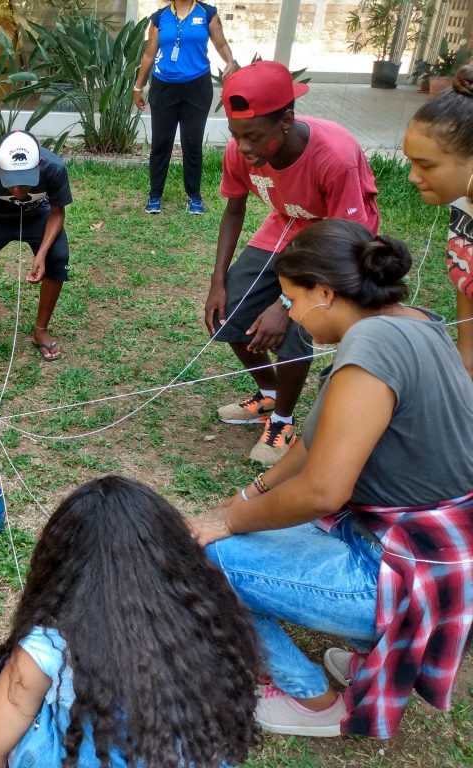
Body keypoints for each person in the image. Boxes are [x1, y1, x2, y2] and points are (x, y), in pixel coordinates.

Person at [190, 220, 473, 740]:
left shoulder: (370, 347)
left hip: (411, 574)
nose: (290, 313)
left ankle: (312, 701)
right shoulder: (415, 321)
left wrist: (227, 523)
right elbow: (313, 446)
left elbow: (323, 490)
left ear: (324, 292)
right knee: (241, 531)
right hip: (439, 554)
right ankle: (369, 652)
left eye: (291, 299)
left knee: (203, 559)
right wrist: (247, 497)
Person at [0, 475, 262, 768]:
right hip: (187, 755)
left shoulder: (50, 646)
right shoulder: (206, 616)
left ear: (59, 569)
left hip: (89, 755)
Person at [204, 60, 379, 466]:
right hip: (283, 226)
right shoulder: (240, 150)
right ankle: (269, 393)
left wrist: (284, 305)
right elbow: (234, 210)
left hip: (337, 240)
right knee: (226, 317)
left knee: (292, 328)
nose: (243, 148)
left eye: (253, 137)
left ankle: (283, 421)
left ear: (286, 120)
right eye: (235, 135)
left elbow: (348, 241)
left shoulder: (334, 156)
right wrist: (218, 282)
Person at [0, 130, 71, 361]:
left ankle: (40, 330)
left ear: (39, 164)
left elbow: (57, 212)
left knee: (57, 258)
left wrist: (41, 254)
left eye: (25, 182)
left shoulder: (54, 168)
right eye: (12, 183)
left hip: (38, 214)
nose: (19, 190)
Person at [133, 0, 238, 215]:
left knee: (192, 142)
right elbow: (148, 54)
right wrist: (138, 87)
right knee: (161, 142)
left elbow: (221, 43)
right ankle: (155, 195)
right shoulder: (159, 17)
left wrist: (230, 60)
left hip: (197, 86)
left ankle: (194, 196)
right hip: (164, 87)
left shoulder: (207, 13)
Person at [403, 64, 473, 377]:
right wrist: (466, 357)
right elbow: (467, 280)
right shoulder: (463, 196)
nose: (412, 177)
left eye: (426, 165)